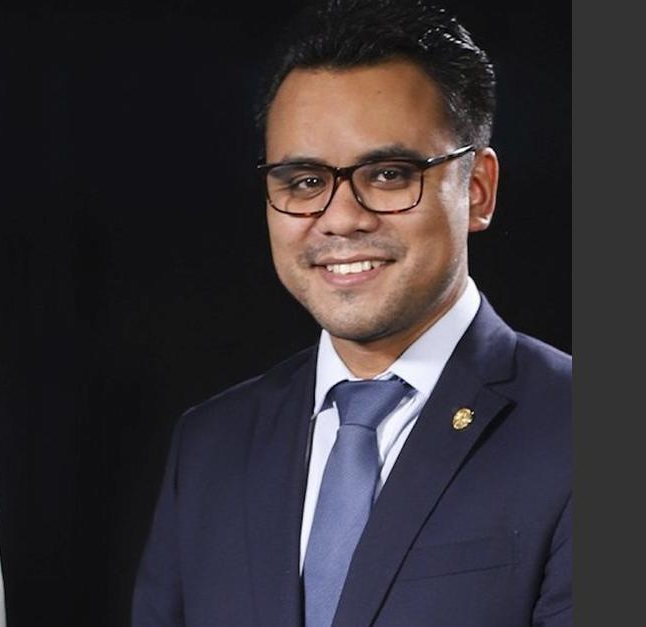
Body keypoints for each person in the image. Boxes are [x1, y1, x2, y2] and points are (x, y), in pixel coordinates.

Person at [131, 0, 571, 626]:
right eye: (305, 181)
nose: (340, 218)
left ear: (477, 189)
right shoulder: (211, 445)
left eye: (389, 174)